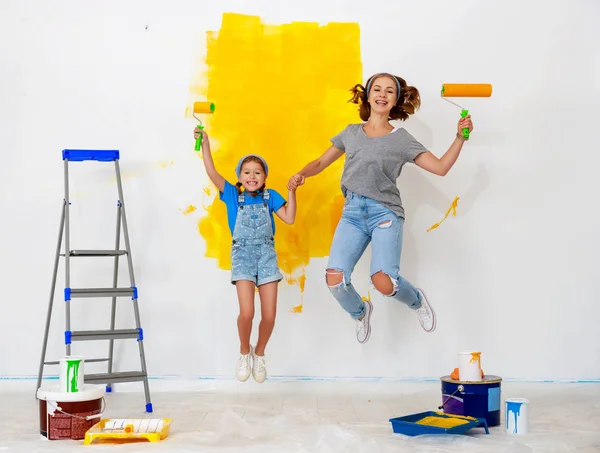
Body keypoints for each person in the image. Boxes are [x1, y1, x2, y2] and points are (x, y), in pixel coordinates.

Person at [287, 72, 473, 343]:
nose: (382, 94)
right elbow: (319, 163)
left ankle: (417, 300)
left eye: (389, 91)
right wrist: (301, 174)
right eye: (377, 89)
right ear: (368, 95)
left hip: (385, 213)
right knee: (334, 280)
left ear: (396, 99)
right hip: (352, 212)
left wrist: (460, 137)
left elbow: (441, 168)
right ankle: (361, 312)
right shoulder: (350, 133)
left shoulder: (402, 138)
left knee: (384, 282)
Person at [194, 126, 297, 383]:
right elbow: (211, 171)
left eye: (257, 172)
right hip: (242, 255)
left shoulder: (270, 196)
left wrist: (293, 191)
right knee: (248, 313)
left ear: (264, 177)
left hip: (267, 255)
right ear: (239, 176)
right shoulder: (232, 195)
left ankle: (259, 353)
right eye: (247, 172)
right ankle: (243, 351)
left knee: (270, 315)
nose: (252, 176)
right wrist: (205, 143)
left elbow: (290, 218)